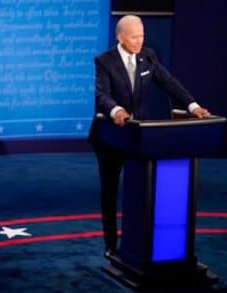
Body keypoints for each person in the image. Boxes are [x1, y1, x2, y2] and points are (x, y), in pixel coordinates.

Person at [87, 15, 210, 258]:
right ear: (120, 37)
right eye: (134, 37)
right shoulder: (104, 61)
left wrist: (193, 106)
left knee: (140, 189)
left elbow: (170, 83)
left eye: (142, 35)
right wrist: (116, 111)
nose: (139, 41)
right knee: (110, 190)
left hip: (140, 137)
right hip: (110, 136)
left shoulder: (148, 56)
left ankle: (138, 242)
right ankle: (111, 244)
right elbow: (102, 95)